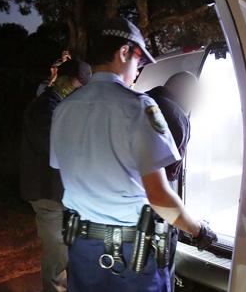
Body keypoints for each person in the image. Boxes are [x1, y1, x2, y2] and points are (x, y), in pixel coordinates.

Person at [49, 18, 217, 291]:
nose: (138, 69)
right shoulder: (138, 106)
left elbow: (64, 172)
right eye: (138, 59)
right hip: (131, 256)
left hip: (82, 248)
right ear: (123, 52)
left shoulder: (63, 109)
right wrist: (197, 231)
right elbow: (159, 197)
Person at [20, 59, 91, 292]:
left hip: (58, 194)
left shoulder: (58, 106)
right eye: (79, 85)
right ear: (66, 80)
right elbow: (57, 149)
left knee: (67, 255)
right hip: (48, 196)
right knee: (57, 259)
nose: (81, 92)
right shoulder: (46, 108)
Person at [146, 72, 199, 189]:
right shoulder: (179, 118)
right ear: (185, 91)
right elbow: (170, 170)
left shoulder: (141, 99)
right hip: (155, 188)